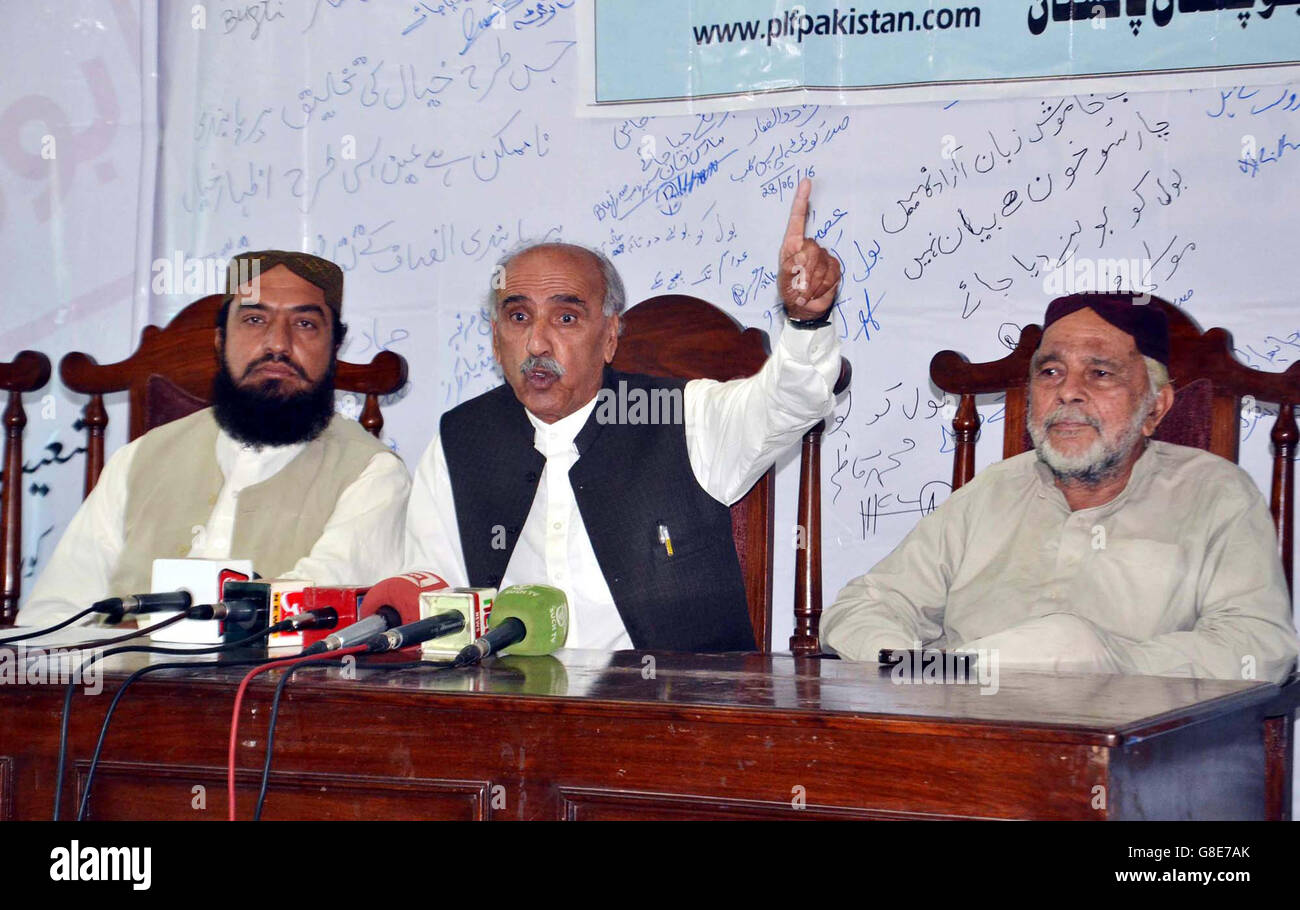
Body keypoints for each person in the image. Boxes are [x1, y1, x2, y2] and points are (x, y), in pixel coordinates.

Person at [406, 179, 843, 651]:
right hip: (513, 713)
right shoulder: (460, 443)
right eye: (518, 318)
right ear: (495, 339)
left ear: (611, 335)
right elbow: (435, 616)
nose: (536, 344)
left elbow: (789, 402)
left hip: (675, 713)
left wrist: (806, 323)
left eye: (566, 318)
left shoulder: (682, 416)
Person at [821, 292, 1299, 684]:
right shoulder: (994, 490)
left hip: (1122, 760)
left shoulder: (1215, 495)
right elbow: (864, 608)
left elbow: (1257, 646)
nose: (1068, 391)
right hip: (959, 738)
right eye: (1050, 372)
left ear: (1155, 408)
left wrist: (1106, 665)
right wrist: (927, 674)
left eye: (1100, 373)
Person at [21, 250, 410, 624]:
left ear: (334, 348)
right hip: (112, 688)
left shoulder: (371, 475)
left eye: (304, 324)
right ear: (220, 340)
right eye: (255, 320)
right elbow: (51, 615)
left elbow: (297, 617)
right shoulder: (139, 460)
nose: (278, 343)